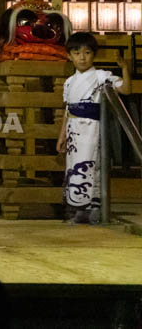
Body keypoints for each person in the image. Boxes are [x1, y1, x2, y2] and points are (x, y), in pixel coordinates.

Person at [57, 32, 129, 224]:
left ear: (93, 55)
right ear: (69, 56)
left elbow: (124, 89)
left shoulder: (100, 76)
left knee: (91, 165)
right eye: (77, 52)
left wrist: (125, 69)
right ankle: (76, 208)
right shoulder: (69, 82)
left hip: (92, 127)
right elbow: (67, 109)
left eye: (87, 52)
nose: (82, 57)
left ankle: (93, 207)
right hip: (73, 128)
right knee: (73, 166)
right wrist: (62, 135)